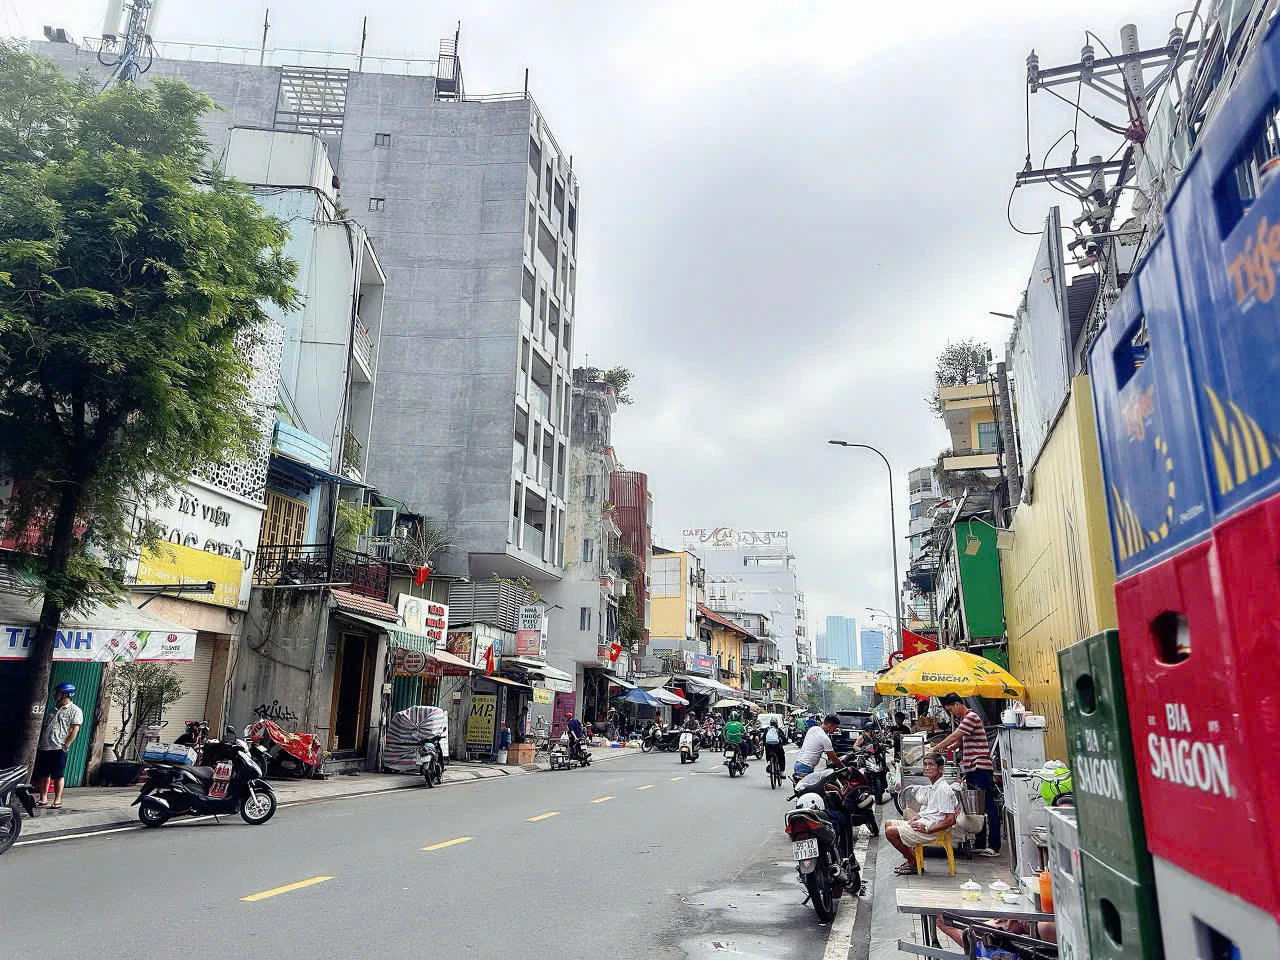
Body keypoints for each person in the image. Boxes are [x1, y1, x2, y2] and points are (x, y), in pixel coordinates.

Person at [935, 693, 1000, 857]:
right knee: (976, 808)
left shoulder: (971, 717)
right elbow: (959, 741)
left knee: (988, 806)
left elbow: (955, 736)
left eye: (951, 709)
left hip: (980, 767)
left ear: (957, 704)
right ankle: (980, 842)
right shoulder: (965, 720)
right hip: (971, 768)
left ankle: (994, 846)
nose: (951, 713)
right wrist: (947, 747)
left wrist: (934, 749)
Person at [884, 753, 960, 875]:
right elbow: (933, 810)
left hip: (933, 830)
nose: (927, 768)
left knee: (890, 832)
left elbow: (950, 820)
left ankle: (913, 862)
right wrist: (918, 816)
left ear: (940, 769)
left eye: (931, 765)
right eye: (925, 764)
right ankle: (913, 859)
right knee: (888, 823)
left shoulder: (943, 789)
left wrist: (928, 829)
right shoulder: (934, 786)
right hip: (926, 823)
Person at [33, 682, 83, 809]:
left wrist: (66, 744)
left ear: (65, 694)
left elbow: (75, 729)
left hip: (58, 747)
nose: (55, 695)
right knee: (44, 774)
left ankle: (57, 799)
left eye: (58, 693)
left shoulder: (75, 710)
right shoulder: (52, 710)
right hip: (45, 746)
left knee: (58, 775)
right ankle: (43, 798)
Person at [793, 713, 842, 778]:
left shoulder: (813, 729)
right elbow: (834, 759)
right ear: (829, 725)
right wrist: (844, 769)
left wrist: (833, 729)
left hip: (799, 764)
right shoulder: (824, 738)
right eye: (835, 727)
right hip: (805, 768)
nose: (835, 730)